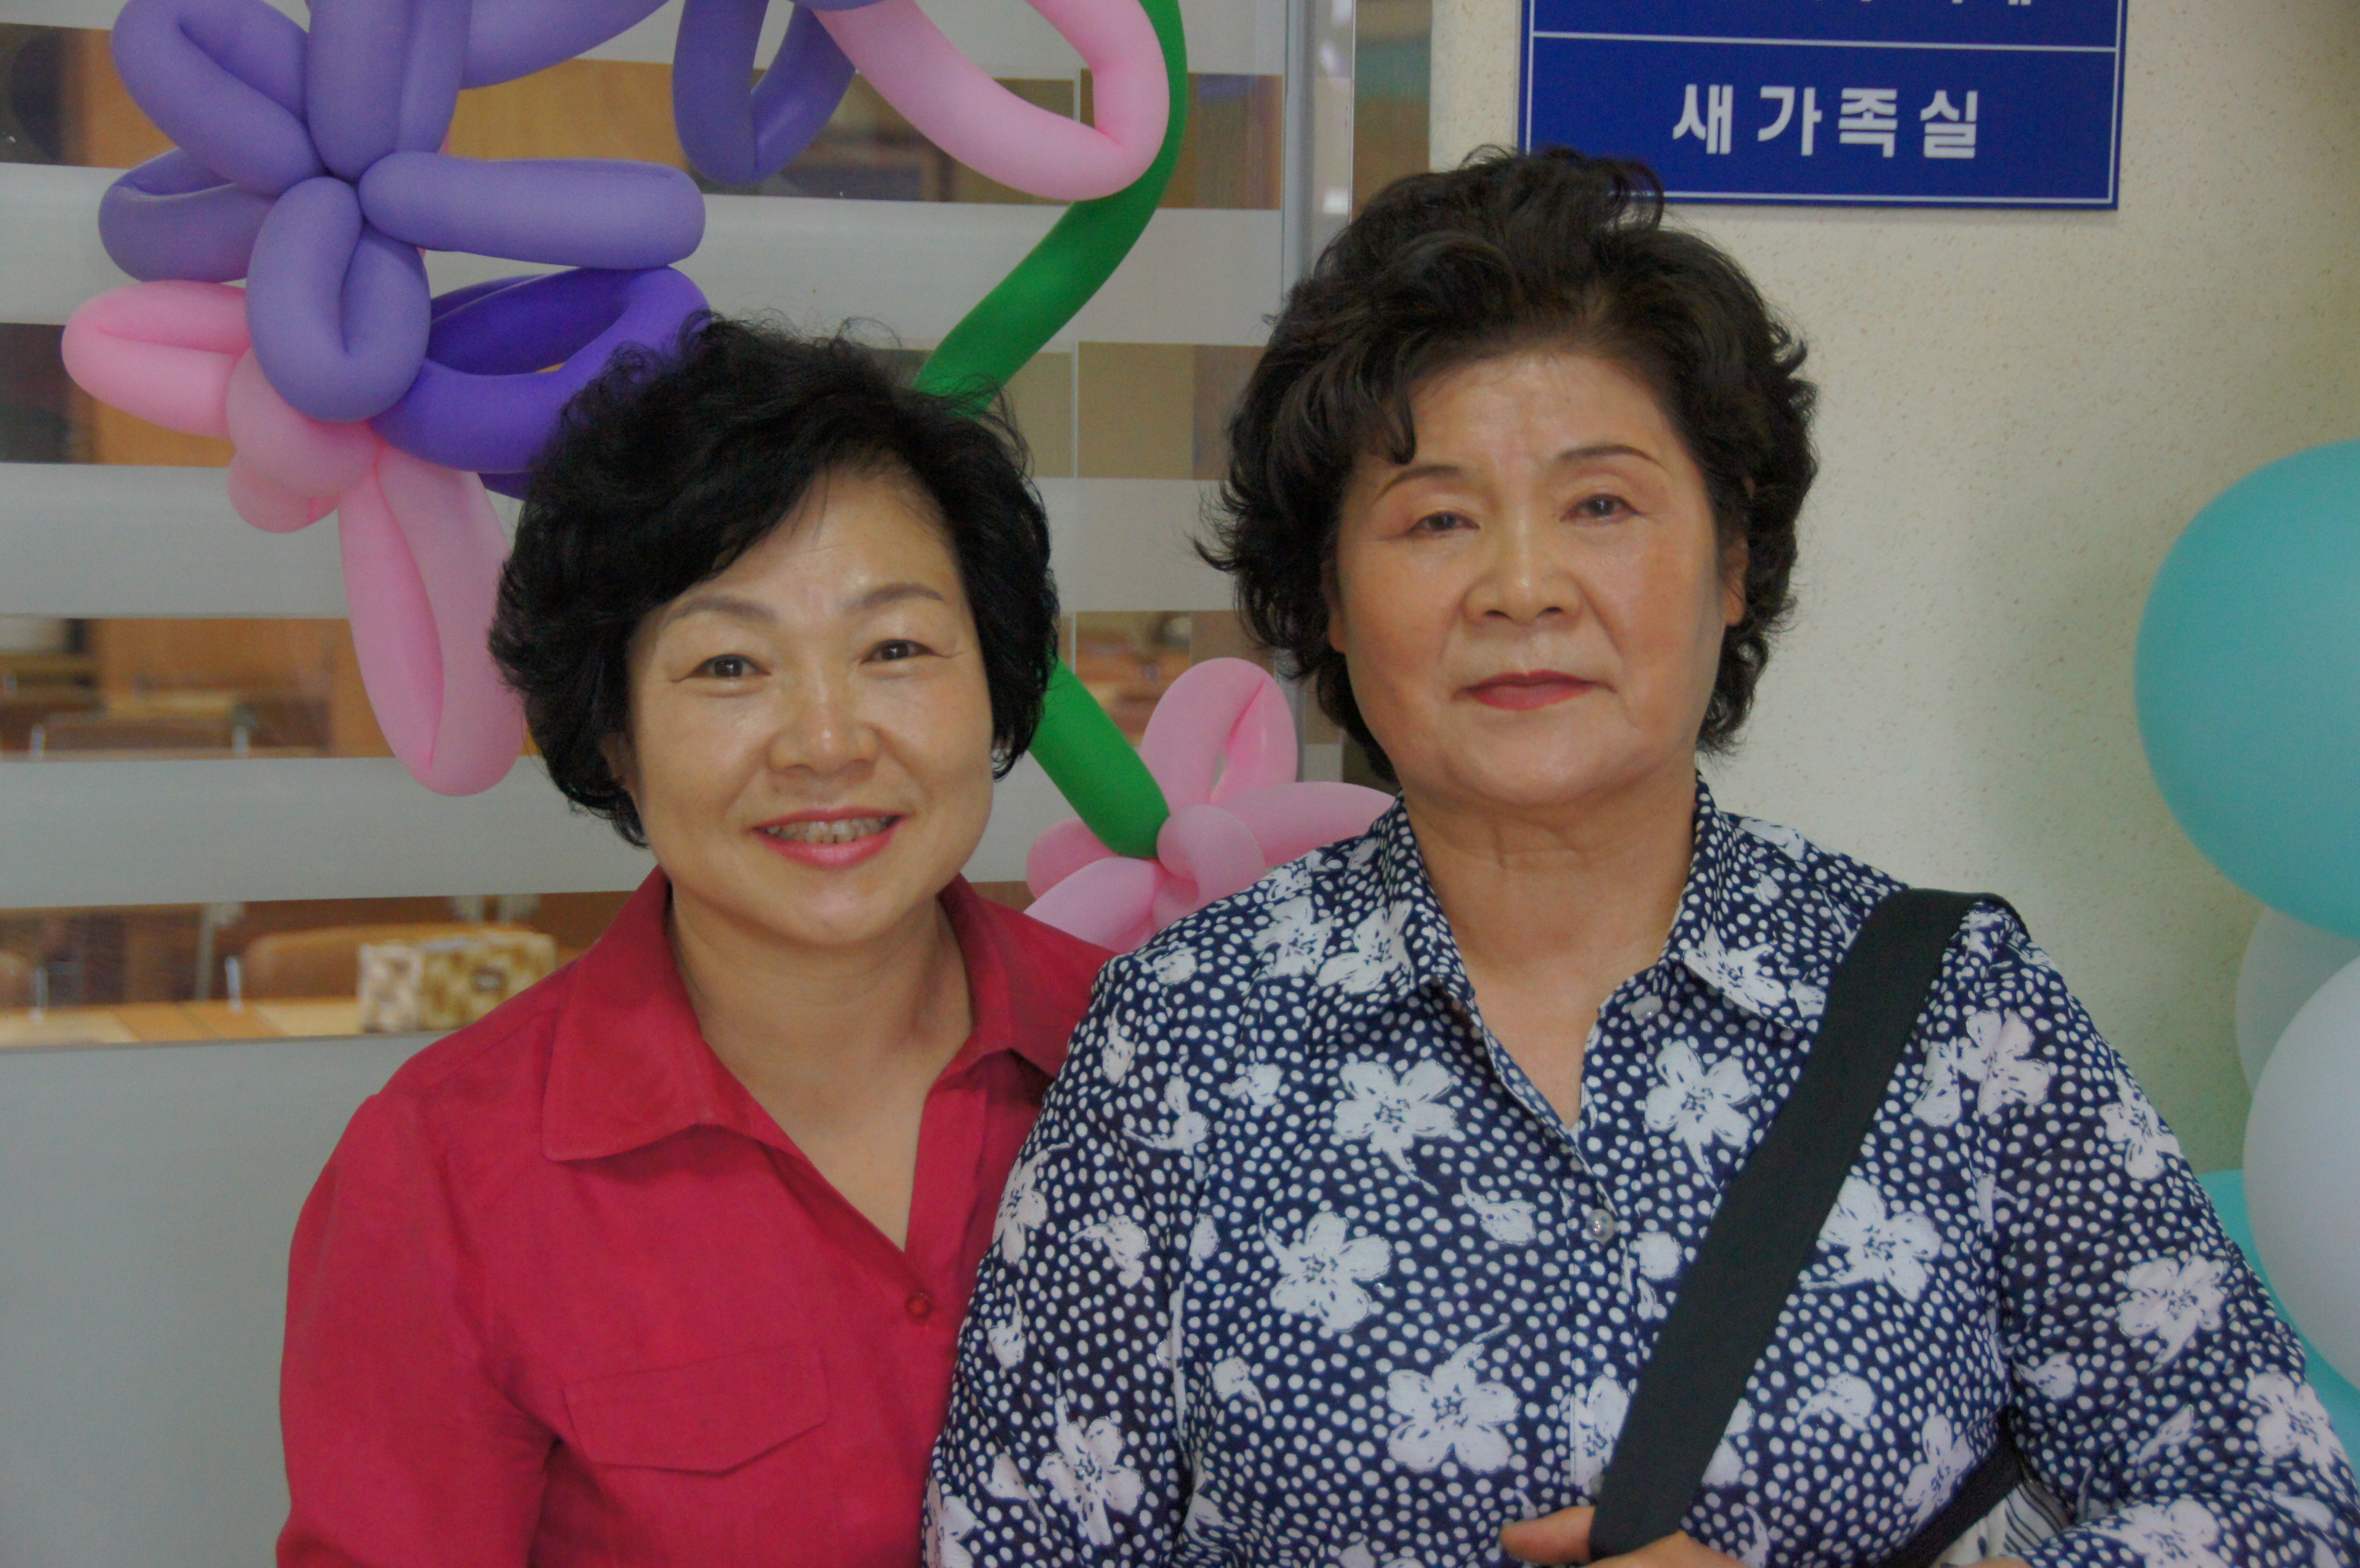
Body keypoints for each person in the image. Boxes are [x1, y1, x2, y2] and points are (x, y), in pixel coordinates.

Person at [924, 151, 2360, 1567]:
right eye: (1437, 519)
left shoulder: (1949, 1004)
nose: (1522, 586)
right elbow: (1012, 1541)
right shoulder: (1184, 1032)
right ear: (1332, 604)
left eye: (1601, 505)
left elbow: (2273, 1500)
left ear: (1733, 564)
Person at [276, 319, 1109, 1566]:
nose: (826, 742)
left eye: (894, 649)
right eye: (729, 664)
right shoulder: (444, 1173)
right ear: (614, 734)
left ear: (995, 677)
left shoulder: (1167, 1059)